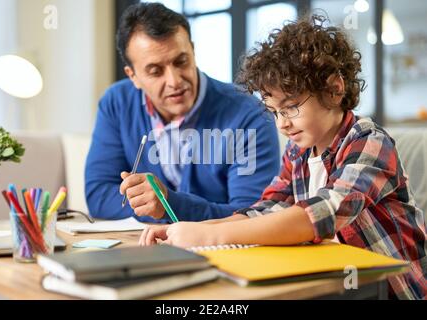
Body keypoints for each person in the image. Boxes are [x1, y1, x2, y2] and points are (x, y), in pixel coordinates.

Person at [139, 15, 427, 300]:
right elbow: (266, 208)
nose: (281, 124)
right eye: (274, 112)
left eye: (290, 107)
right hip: (336, 285)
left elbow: (320, 216)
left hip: (392, 291)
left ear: (334, 89)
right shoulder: (297, 151)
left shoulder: (369, 142)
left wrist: (210, 238)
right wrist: (191, 230)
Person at [85, 3, 279, 223]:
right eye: (155, 71)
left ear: (193, 52)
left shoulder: (249, 114)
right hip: (144, 247)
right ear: (133, 76)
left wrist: (168, 206)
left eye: (181, 61)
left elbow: (252, 214)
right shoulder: (116, 103)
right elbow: (99, 196)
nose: (174, 81)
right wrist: (157, 208)